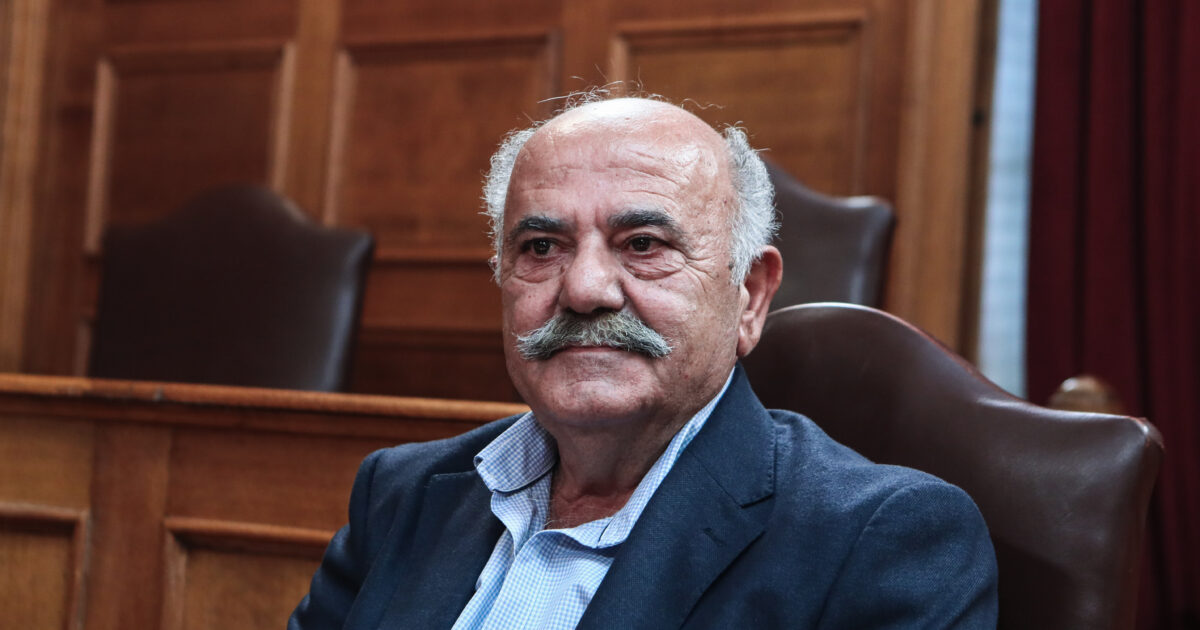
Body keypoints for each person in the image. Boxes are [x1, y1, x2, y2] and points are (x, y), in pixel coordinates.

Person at [290, 96, 998, 629]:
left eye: (643, 244)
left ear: (749, 297)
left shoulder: (880, 541)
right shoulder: (402, 495)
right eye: (541, 247)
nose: (585, 289)